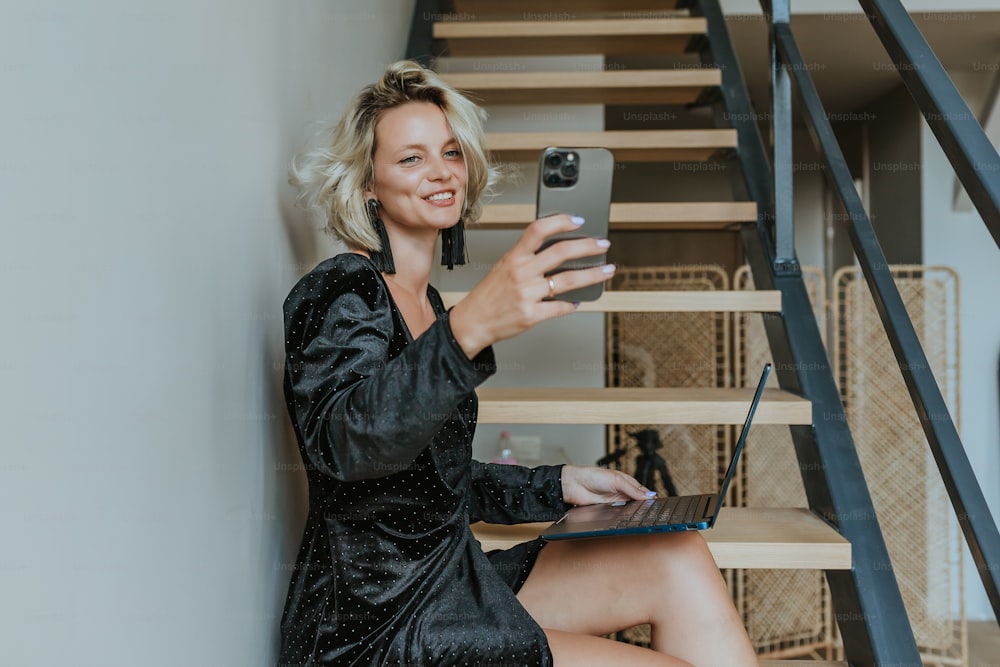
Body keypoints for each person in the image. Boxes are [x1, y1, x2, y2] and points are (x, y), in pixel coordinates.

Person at [278, 59, 758, 666]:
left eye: (451, 152)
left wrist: (555, 484)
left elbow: (426, 481)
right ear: (367, 184)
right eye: (411, 158)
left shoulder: (427, 301)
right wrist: (469, 326)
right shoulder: (343, 289)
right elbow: (348, 446)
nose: (441, 171)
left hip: (449, 580)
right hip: (375, 623)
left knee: (675, 554)